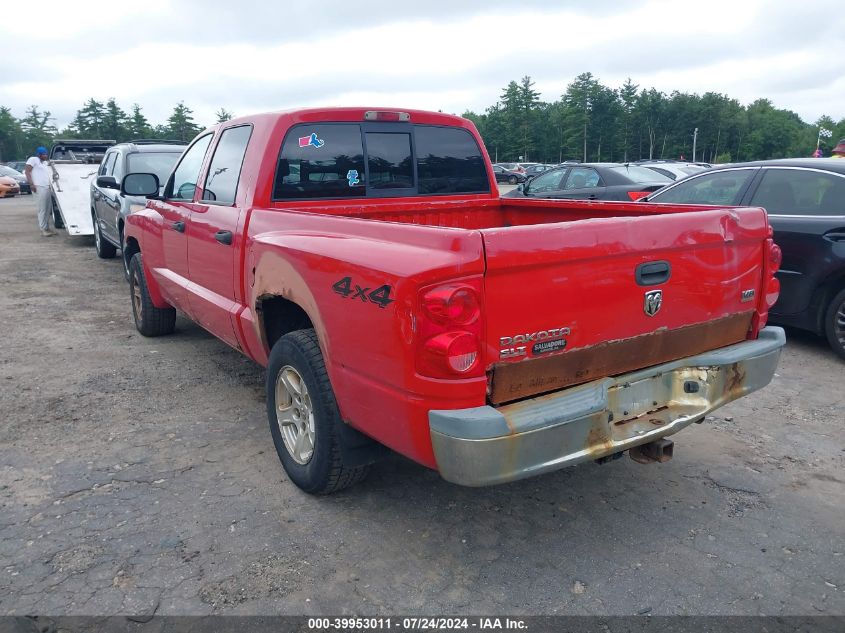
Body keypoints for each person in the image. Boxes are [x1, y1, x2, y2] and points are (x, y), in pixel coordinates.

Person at [25, 146, 55, 236]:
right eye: (44, 154)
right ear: (39, 154)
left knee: (48, 208)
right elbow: (27, 171)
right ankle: (43, 229)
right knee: (42, 208)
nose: (45, 156)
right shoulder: (33, 159)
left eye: (46, 154)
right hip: (38, 186)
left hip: (47, 187)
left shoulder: (45, 163)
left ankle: (47, 228)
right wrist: (31, 184)